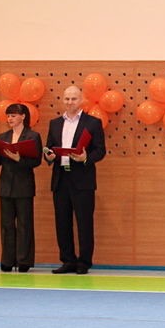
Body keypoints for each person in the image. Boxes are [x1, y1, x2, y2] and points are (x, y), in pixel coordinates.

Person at [43, 86, 106, 274]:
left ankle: (84, 262)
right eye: (67, 99)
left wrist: (86, 158)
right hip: (60, 178)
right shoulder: (55, 123)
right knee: (62, 222)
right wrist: (49, 156)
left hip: (82, 180)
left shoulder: (93, 123)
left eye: (73, 99)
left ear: (81, 100)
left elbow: (100, 150)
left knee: (84, 222)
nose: (69, 102)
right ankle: (68, 260)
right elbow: (49, 148)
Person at [0, 103, 42, 272]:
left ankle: (23, 261)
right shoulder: (3, 136)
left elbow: (36, 161)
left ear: (23, 116)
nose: (10, 118)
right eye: (8, 115)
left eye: (13, 115)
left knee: (24, 224)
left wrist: (19, 159)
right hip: (6, 186)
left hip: (24, 186)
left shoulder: (32, 136)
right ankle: (8, 260)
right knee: (7, 225)